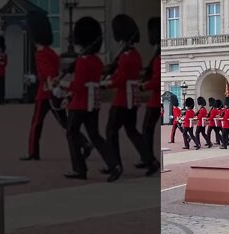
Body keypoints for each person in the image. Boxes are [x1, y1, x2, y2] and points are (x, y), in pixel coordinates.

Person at [21, 11, 92, 161]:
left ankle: (33, 152)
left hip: (45, 91)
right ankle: (84, 142)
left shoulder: (40, 53)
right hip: (55, 91)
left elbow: (47, 74)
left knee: (36, 122)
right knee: (65, 122)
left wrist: (47, 84)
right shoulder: (52, 52)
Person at [59, 16, 122, 182]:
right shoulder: (96, 60)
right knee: (95, 135)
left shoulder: (83, 61)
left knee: (71, 133)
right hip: (93, 103)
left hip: (79, 104)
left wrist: (62, 86)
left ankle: (79, 168)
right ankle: (114, 164)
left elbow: (78, 86)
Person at [100, 14, 147, 171]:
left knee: (111, 131)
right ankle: (149, 159)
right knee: (131, 130)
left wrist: (105, 84)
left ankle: (115, 164)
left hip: (121, 100)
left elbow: (120, 80)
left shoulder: (126, 57)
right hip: (132, 99)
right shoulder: (135, 55)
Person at [138, 17, 161, 176]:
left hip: (156, 100)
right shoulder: (157, 51)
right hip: (157, 99)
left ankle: (150, 160)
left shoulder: (160, 54)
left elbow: (158, 79)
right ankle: (147, 159)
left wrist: (143, 86)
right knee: (147, 130)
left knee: (147, 130)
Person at [0, 36, 7, 105]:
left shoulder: (4, 55)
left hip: (1, 73)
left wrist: (0, 60)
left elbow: (5, 63)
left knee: (1, 87)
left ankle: (1, 99)